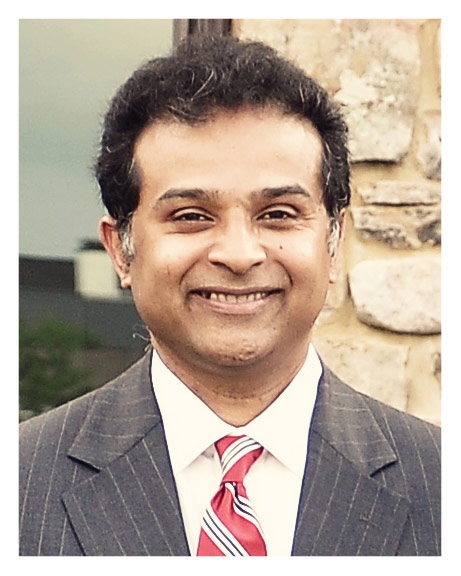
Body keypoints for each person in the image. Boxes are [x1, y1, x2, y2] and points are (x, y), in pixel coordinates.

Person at [19, 35, 441, 556]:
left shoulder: (443, 485)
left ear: (333, 244)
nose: (240, 255)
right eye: (191, 216)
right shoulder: (19, 484)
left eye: (278, 214)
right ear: (121, 251)